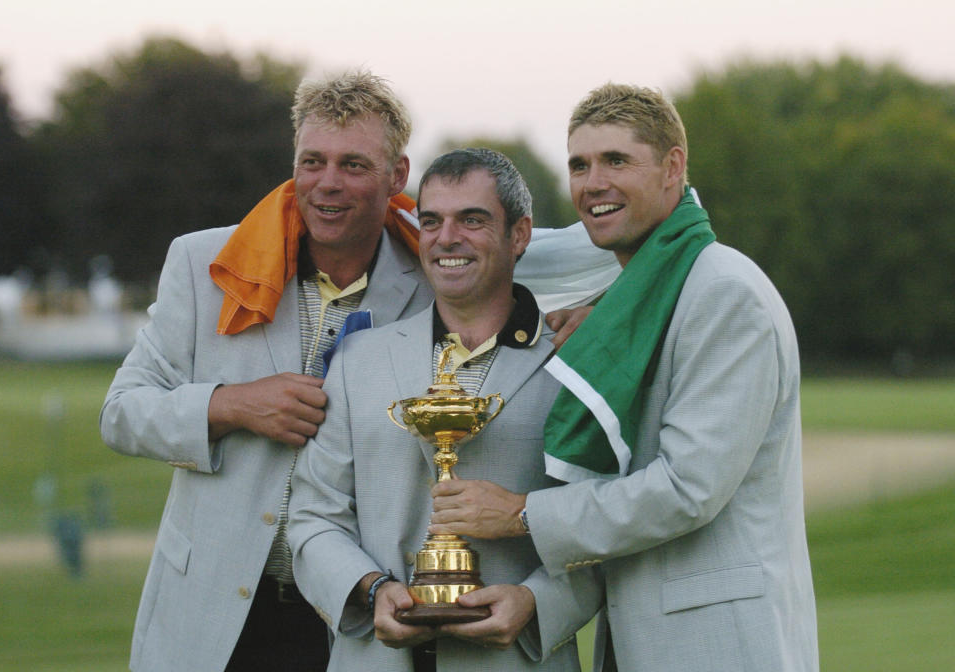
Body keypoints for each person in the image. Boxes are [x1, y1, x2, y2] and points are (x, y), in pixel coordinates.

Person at [99, 71, 613, 672]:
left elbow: (579, 245)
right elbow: (122, 413)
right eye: (312, 161)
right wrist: (230, 405)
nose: (327, 184)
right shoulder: (203, 262)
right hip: (215, 603)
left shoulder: (434, 270)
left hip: (358, 621)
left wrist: (601, 314)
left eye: (354, 165)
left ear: (398, 177)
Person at [429, 83, 820, 671]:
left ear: (673, 168)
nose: (593, 184)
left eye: (617, 160)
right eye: (580, 165)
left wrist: (520, 513)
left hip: (720, 646)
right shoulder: (642, 301)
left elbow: (687, 489)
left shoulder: (725, 295)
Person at [288, 148, 603, 672]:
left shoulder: (574, 363)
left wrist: (535, 603)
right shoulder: (358, 359)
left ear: (519, 234)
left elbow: (606, 523)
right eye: (431, 221)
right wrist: (369, 592)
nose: (446, 238)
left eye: (472, 220)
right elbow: (312, 516)